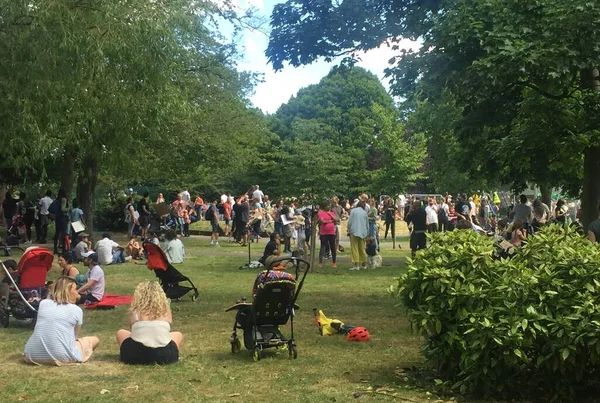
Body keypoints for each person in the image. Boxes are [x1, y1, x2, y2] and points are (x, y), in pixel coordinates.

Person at [23, 276, 100, 365]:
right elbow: (74, 337)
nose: (77, 293)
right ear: (67, 291)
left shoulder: (43, 304)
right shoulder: (76, 310)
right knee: (94, 340)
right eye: (75, 290)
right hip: (63, 357)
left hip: (31, 355)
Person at [116, 281, 183, 365]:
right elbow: (168, 326)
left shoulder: (135, 311)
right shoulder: (165, 311)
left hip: (134, 355)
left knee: (121, 332)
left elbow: (132, 329)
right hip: (166, 355)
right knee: (177, 334)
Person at [347, 200, 369, 270]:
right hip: (363, 233)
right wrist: (367, 233)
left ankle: (356, 265)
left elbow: (350, 221)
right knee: (362, 248)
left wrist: (349, 229)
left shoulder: (353, 211)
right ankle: (364, 264)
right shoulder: (365, 213)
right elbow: (367, 224)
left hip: (354, 231)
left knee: (354, 248)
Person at [317, 203, 338, 268]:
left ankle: (334, 262)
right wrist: (331, 221)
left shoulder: (332, 213)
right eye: (328, 205)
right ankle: (320, 262)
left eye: (329, 206)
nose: (329, 207)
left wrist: (330, 216)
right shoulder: (321, 213)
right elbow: (322, 221)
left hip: (332, 233)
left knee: (333, 247)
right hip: (323, 233)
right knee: (322, 247)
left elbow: (336, 220)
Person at [53, 188, 70, 255]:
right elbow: (63, 209)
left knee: (57, 233)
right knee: (63, 233)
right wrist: (69, 208)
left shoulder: (57, 199)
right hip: (63, 218)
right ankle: (64, 249)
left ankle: (55, 249)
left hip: (58, 218)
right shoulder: (64, 199)